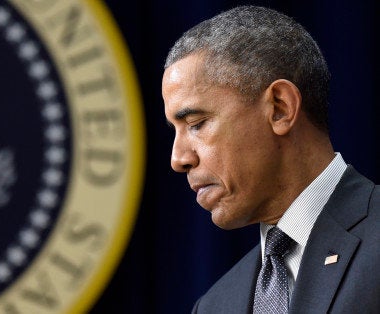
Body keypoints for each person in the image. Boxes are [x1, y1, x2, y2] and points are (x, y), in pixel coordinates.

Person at [162, 5, 379, 314]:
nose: (178, 158)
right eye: (175, 130)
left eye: (196, 124)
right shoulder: (214, 306)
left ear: (280, 108)